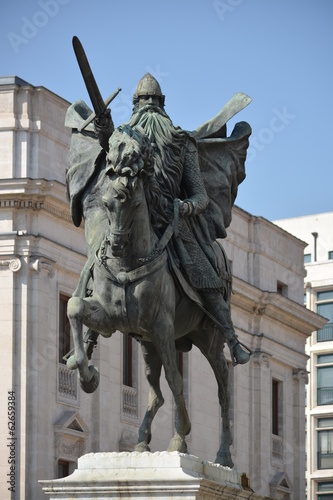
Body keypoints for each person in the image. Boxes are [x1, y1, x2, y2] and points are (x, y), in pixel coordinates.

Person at [126, 74, 251, 365]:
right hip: (132, 220)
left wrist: (183, 207)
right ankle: (90, 337)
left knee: (205, 269)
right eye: (143, 103)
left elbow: (200, 196)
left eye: (151, 103)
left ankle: (231, 339)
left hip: (174, 225)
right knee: (99, 256)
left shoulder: (183, 143)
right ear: (134, 107)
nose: (147, 110)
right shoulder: (124, 140)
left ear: (162, 106)